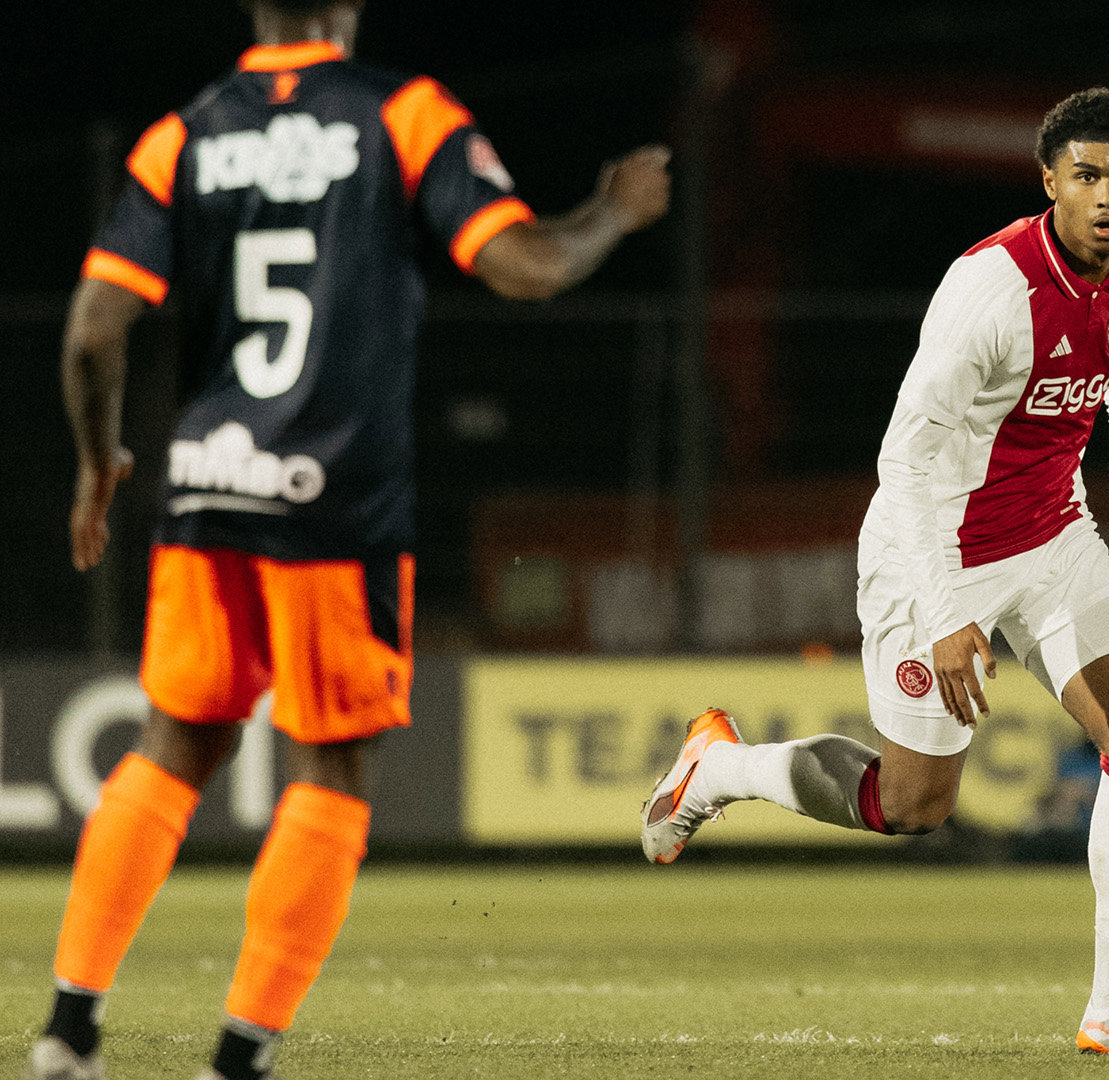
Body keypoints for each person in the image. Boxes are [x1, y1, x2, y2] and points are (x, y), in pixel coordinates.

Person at [29, 2, 670, 1078]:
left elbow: (95, 330)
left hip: (208, 483)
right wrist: (612, 210)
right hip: (334, 501)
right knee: (330, 767)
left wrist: (100, 463)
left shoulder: (183, 134)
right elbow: (528, 267)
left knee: (175, 742)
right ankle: (237, 1060)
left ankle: (68, 1030)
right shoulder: (401, 114)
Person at [641, 87, 1109, 1058]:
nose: (1107, 194)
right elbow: (904, 461)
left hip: (1056, 539)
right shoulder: (990, 291)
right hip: (935, 552)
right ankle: (721, 767)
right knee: (912, 805)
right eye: (1086, 175)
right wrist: (949, 612)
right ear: (1049, 181)